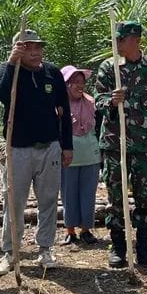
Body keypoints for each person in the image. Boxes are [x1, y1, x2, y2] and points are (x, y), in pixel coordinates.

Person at [94, 20, 147, 268]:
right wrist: (111, 100)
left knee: (143, 196)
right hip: (114, 142)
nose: (116, 43)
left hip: (143, 143)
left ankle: (144, 248)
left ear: (135, 40)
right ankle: (118, 247)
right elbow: (97, 99)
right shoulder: (108, 67)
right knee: (115, 197)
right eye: (116, 39)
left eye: (121, 39)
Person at [0, 29, 72, 274]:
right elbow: (1, 95)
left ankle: (45, 248)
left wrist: (66, 145)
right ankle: (10, 252)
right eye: (28, 48)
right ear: (18, 49)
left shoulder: (52, 73)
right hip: (18, 147)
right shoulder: (10, 71)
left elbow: (64, 109)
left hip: (49, 146)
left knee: (48, 200)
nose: (35, 52)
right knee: (14, 202)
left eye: (38, 47)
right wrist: (10, 63)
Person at [60, 64, 100, 246]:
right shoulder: (58, 106)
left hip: (90, 155)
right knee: (68, 194)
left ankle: (86, 229)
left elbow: (100, 128)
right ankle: (70, 230)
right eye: (73, 82)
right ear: (65, 84)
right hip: (67, 157)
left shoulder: (92, 102)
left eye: (81, 82)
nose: (78, 86)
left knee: (88, 193)